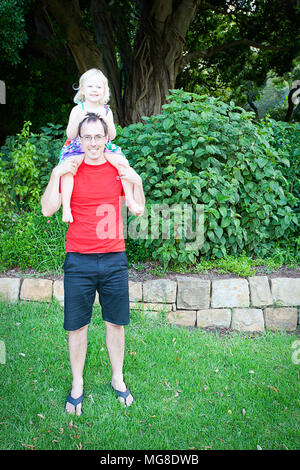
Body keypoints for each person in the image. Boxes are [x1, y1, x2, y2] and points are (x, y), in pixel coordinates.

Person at [41, 112, 145, 416]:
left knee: (116, 323)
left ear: (106, 138)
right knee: (77, 326)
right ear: (79, 139)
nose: (93, 142)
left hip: (114, 258)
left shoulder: (118, 168)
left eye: (98, 136)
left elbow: (138, 209)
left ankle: (117, 378)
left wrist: (136, 180)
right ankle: (77, 385)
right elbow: (48, 210)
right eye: (87, 137)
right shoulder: (70, 169)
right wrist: (54, 174)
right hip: (78, 259)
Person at [59, 68, 143, 223]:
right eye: (90, 86)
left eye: (99, 87)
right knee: (67, 170)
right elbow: (70, 135)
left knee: (123, 163)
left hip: (102, 147)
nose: (94, 90)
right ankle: (66, 209)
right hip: (78, 147)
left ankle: (130, 200)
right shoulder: (78, 109)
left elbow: (112, 136)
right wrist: (79, 120)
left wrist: (106, 119)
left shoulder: (106, 110)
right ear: (82, 89)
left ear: (105, 91)